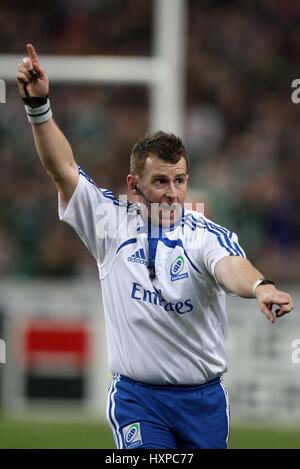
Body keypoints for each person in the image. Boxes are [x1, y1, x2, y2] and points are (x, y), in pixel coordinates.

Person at [16, 44, 293, 450]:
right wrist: (38, 107)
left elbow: (230, 266)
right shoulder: (109, 222)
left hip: (204, 402)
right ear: (134, 185)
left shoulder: (202, 233)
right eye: (160, 181)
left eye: (179, 180)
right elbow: (63, 170)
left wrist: (261, 287)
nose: (172, 193)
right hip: (138, 399)